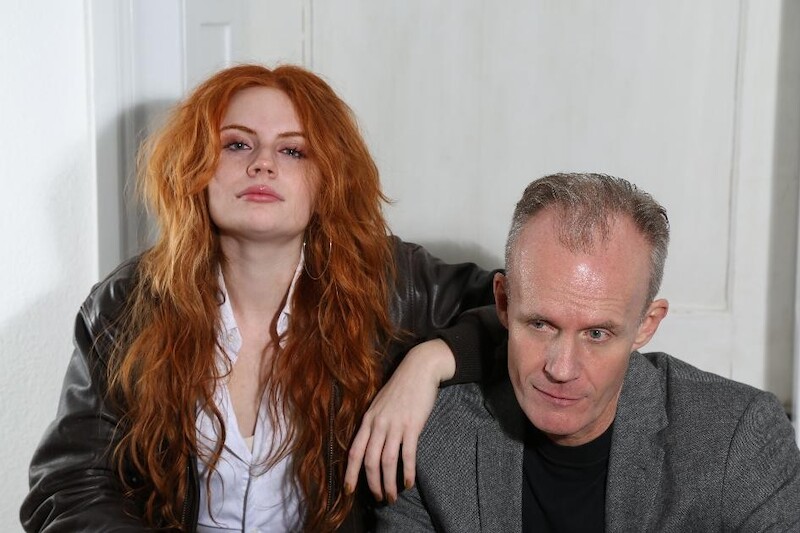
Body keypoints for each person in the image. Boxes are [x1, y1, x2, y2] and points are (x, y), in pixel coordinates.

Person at [20, 64, 498, 532]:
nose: (262, 163)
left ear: (327, 179)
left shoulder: (393, 282)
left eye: (293, 151)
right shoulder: (126, 304)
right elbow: (68, 488)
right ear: (197, 168)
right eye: (237, 144)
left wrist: (430, 361)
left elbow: (522, 310)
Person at [377, 173, 800, 532]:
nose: (561, 368)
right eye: (540, 324)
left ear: (646, 324)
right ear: (503, 303)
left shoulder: (739, 439)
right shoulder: (431, 439)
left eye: (597, 333)